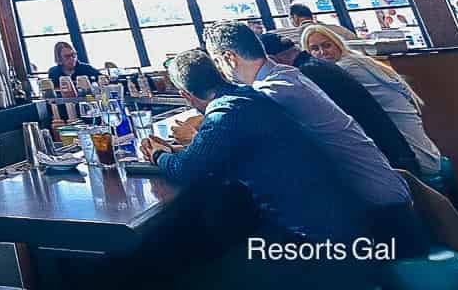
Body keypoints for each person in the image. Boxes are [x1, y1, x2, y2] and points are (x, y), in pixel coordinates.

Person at [142, 51, 383, 285]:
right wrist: (178, 152)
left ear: (186, 95)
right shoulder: (248, 97)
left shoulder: (225, 114)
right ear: (221, 74)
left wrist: (159, 154)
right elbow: (215, 154)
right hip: (347, 227)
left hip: (317, 245)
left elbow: (184, 170)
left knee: (192, 275)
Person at [203, 22, 424, 255]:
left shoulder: (274, 90)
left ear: (228, 58)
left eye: (217, 62)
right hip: (385, 195)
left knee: (256, 251)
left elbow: (233, 126)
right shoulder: (286, 75)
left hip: (382, 215)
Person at [261, 33, 421, 176]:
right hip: (397, 154)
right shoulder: (317, 65)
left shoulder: (306, 76)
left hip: (389, 164)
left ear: (272, 60)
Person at [302, 24, 443, 177]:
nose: (322, 52)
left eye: (326, 45)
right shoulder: (356, 59)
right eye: (315, 49)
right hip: (408, 127)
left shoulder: (346, 67)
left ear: (338, 44)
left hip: (412, 144)